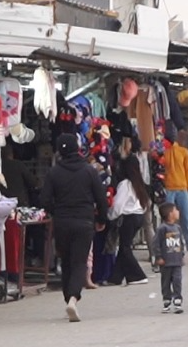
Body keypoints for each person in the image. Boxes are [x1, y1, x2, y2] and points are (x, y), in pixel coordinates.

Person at [39, 134, 109, 322]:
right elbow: (101, 198)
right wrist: (101, 219)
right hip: (84, 222)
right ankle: (73, 298)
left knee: (67, 261)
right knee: (79, 262)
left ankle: (68, 298)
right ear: (77, 148)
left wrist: (57, 211)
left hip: (62, 223)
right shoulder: (89, 171)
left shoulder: (54, 172)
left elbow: (44, 200)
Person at [107, 139, 151, 287]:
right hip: (138, 216)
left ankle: (137, 275)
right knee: (125, 247)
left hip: (128, 218)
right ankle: (116, 277)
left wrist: (109, 216)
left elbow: (118, 205)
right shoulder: (138, 183)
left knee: (125, 247)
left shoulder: (125, 185)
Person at [165, 129, 188, 248]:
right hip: (169, 188)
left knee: (186, 220)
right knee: (169, 220)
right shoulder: (163, 152)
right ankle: (171, 246)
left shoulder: (184, 152)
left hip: (182, 188)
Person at [154, 202, 185, 314]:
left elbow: (181, 242)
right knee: (166, 281)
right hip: (166, 262)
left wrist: (182, 255)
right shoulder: (162, 228)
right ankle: (166, 299)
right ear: (170, 213)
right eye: (176, 210)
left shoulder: (178, 228)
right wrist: (158, 257)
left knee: (177, 280)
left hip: (176, 261)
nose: (178, 212)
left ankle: (177, 299)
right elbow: (156, 243)